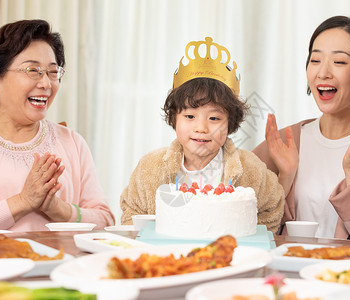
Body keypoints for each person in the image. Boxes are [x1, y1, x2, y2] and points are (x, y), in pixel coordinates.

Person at [253, 16, 350, 239]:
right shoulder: (285, 142)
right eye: (315, 60)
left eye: (339, 62)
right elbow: (251, 229)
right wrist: (284, 178)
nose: (323, 72)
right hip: (288, 269)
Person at [120, 37, 285, 232]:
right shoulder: (150, 168)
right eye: (190, 116)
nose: (201, 128)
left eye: (214, 119)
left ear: (230, 123)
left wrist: (246, 239)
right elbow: (131, 213)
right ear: (174, 118)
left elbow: (273, 207)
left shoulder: (250, 169)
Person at [0, 19, 115, 231]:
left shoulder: (71, 142)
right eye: (33, 70)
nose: (46, 83)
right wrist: (23, 201)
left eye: (52, 71)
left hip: (63, 263)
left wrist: (58, 208)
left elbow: (105, 222)